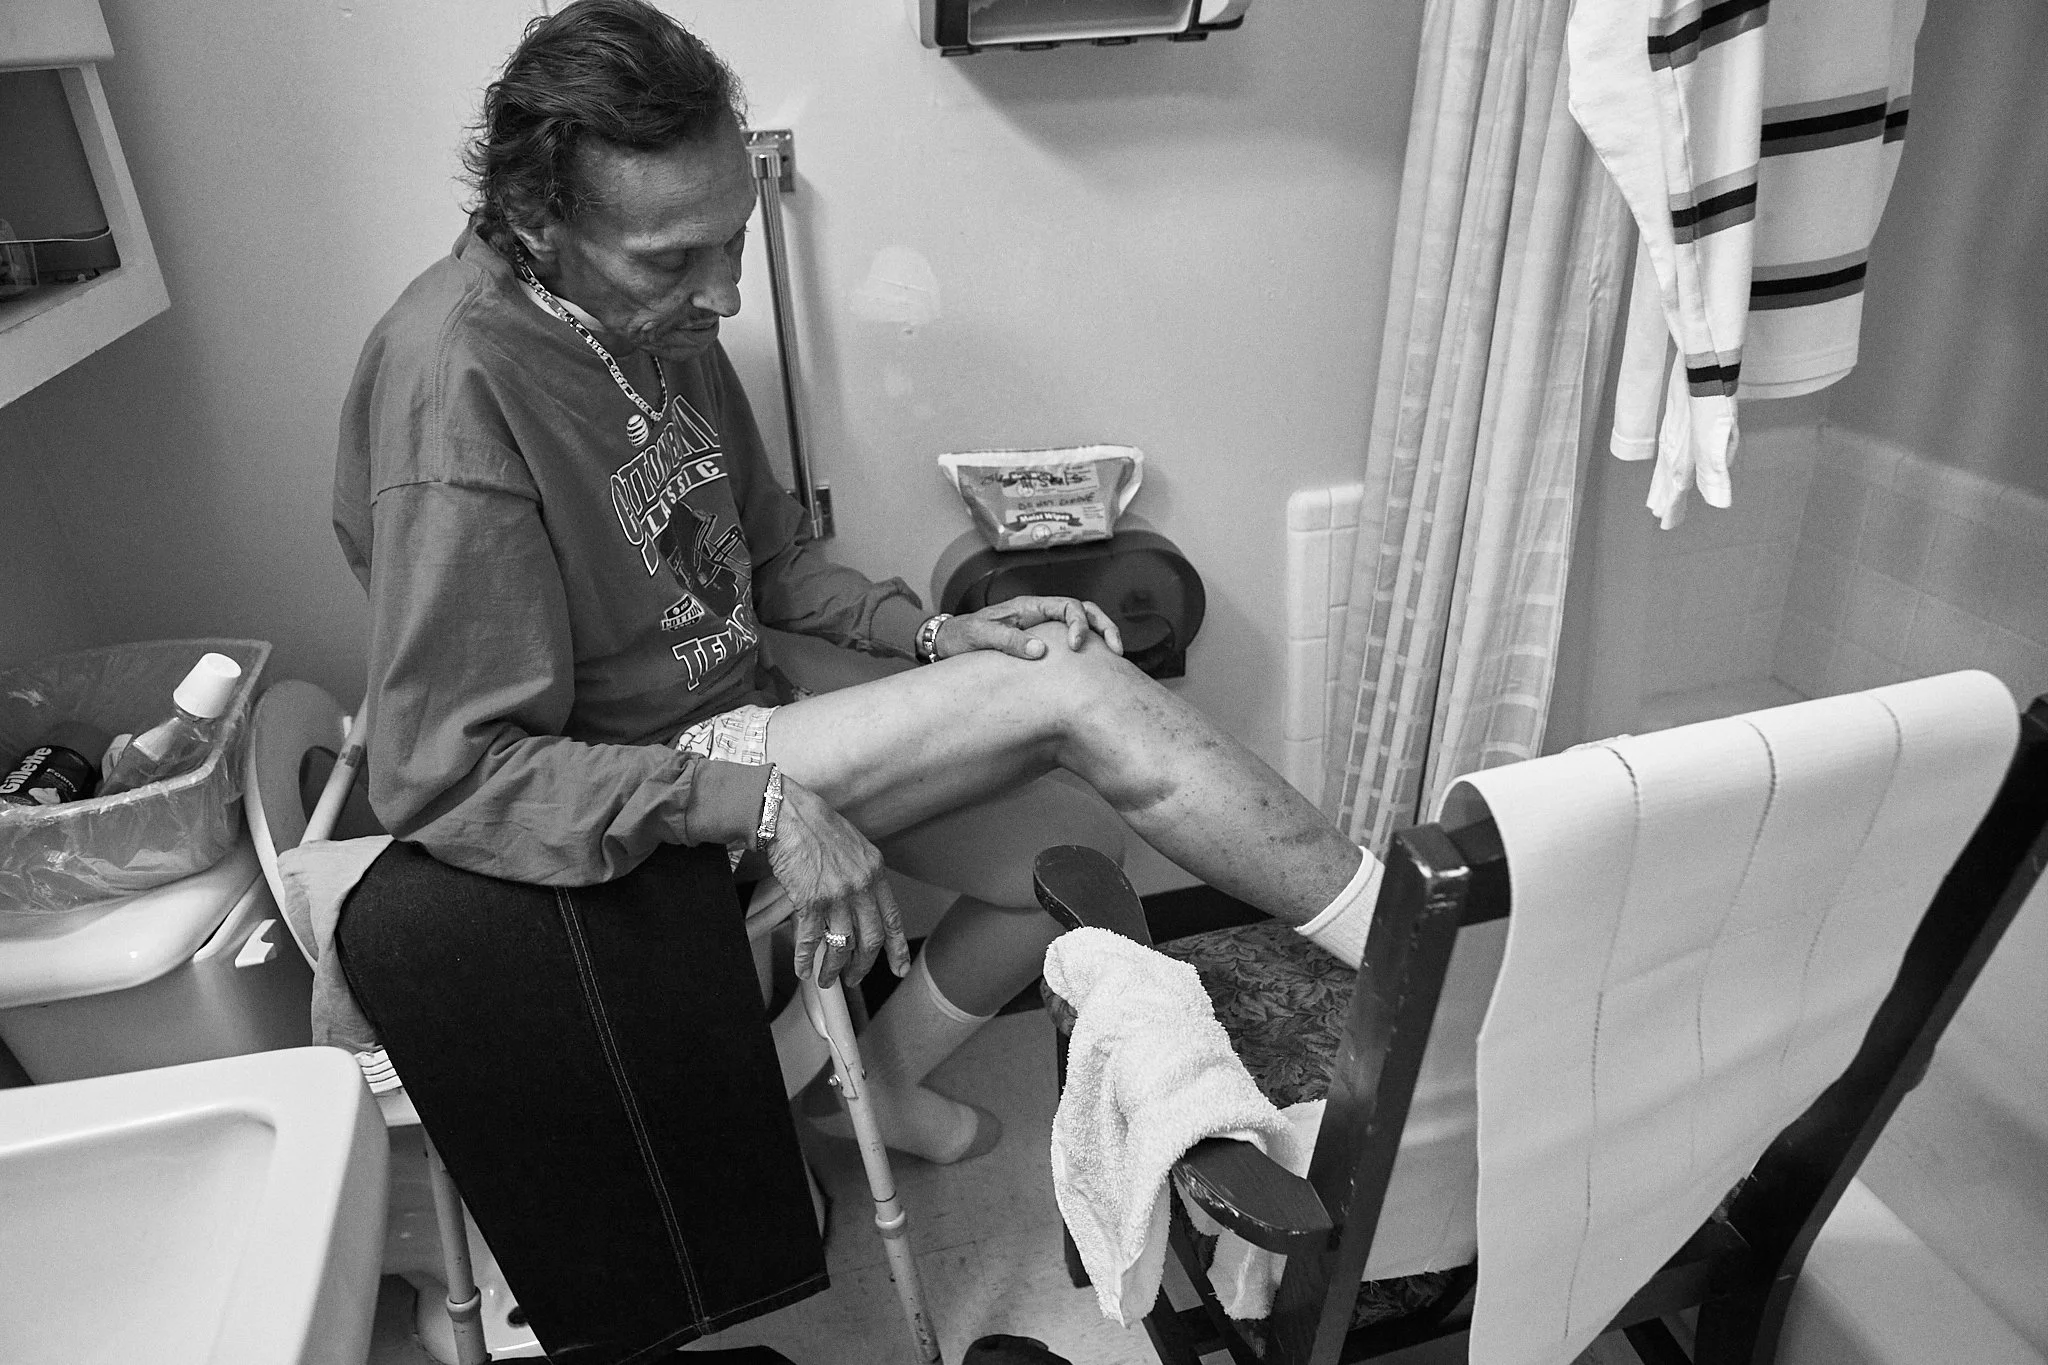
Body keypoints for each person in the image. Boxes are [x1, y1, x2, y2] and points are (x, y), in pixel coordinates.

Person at [331, 2, 1385, 1359]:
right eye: (676, 258)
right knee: (1071, 684)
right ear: (540, 226)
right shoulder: (457, 389)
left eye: (733, 242)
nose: (722, 296)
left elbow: (765, 560)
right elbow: (443, 770)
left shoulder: (652, 327)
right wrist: (760, 805)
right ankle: (1427, 963)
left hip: (741, 718)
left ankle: (858, 1087)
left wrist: (931, 636)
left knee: (1067, 843)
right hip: (640, 780)